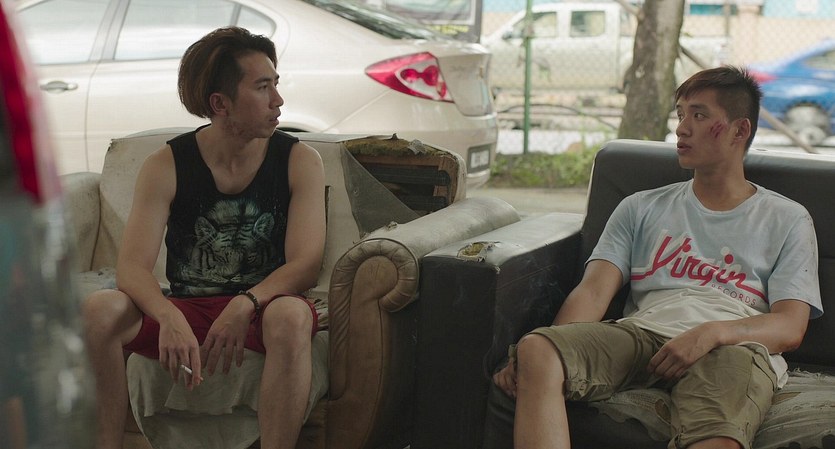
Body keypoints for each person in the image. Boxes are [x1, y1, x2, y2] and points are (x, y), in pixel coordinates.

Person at [493, 66, 823, 449]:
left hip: (732, 348)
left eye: (699, 115)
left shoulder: (787, 218)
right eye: (680, 114)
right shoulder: (640, 207)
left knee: (717, 436)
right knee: (537, 349)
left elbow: (789, 327)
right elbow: (593, 292)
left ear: (739, 130)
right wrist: (551, 347)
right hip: (644, 335)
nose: (682, 128)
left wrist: (711, 333)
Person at [82, 26, 326, 449]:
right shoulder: (166, 165)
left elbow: (305, 265)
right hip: (188, 305)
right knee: (98, 310)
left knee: (292, 316)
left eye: (276, 84)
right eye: (262, 87)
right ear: (220, 103)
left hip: (263, 308)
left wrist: (244, 303)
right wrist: (167, 316)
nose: (278, 100)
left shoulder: (299, 160)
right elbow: (131, 268)